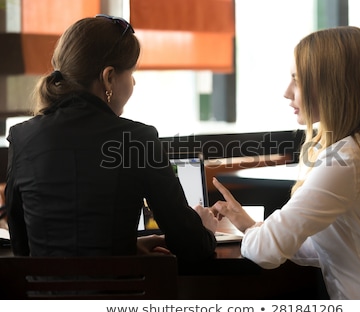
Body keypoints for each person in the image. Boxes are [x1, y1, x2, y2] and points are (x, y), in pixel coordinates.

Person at [196, 26, 360, 299]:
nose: (287, 92)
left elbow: (266, 253)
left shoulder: (345, 161)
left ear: (332, 85)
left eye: (297, 80)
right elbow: (318, 246)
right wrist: (252, 227)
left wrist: (230, 233)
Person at [5, 15, 218, 262]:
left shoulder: (22, 137)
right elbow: (190, 244)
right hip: (120, 297)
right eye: (132, 72)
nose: (134, 82)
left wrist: (125, 248)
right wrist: (206, 230)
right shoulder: (138, 140)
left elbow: (22, 248)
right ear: (108, 77)